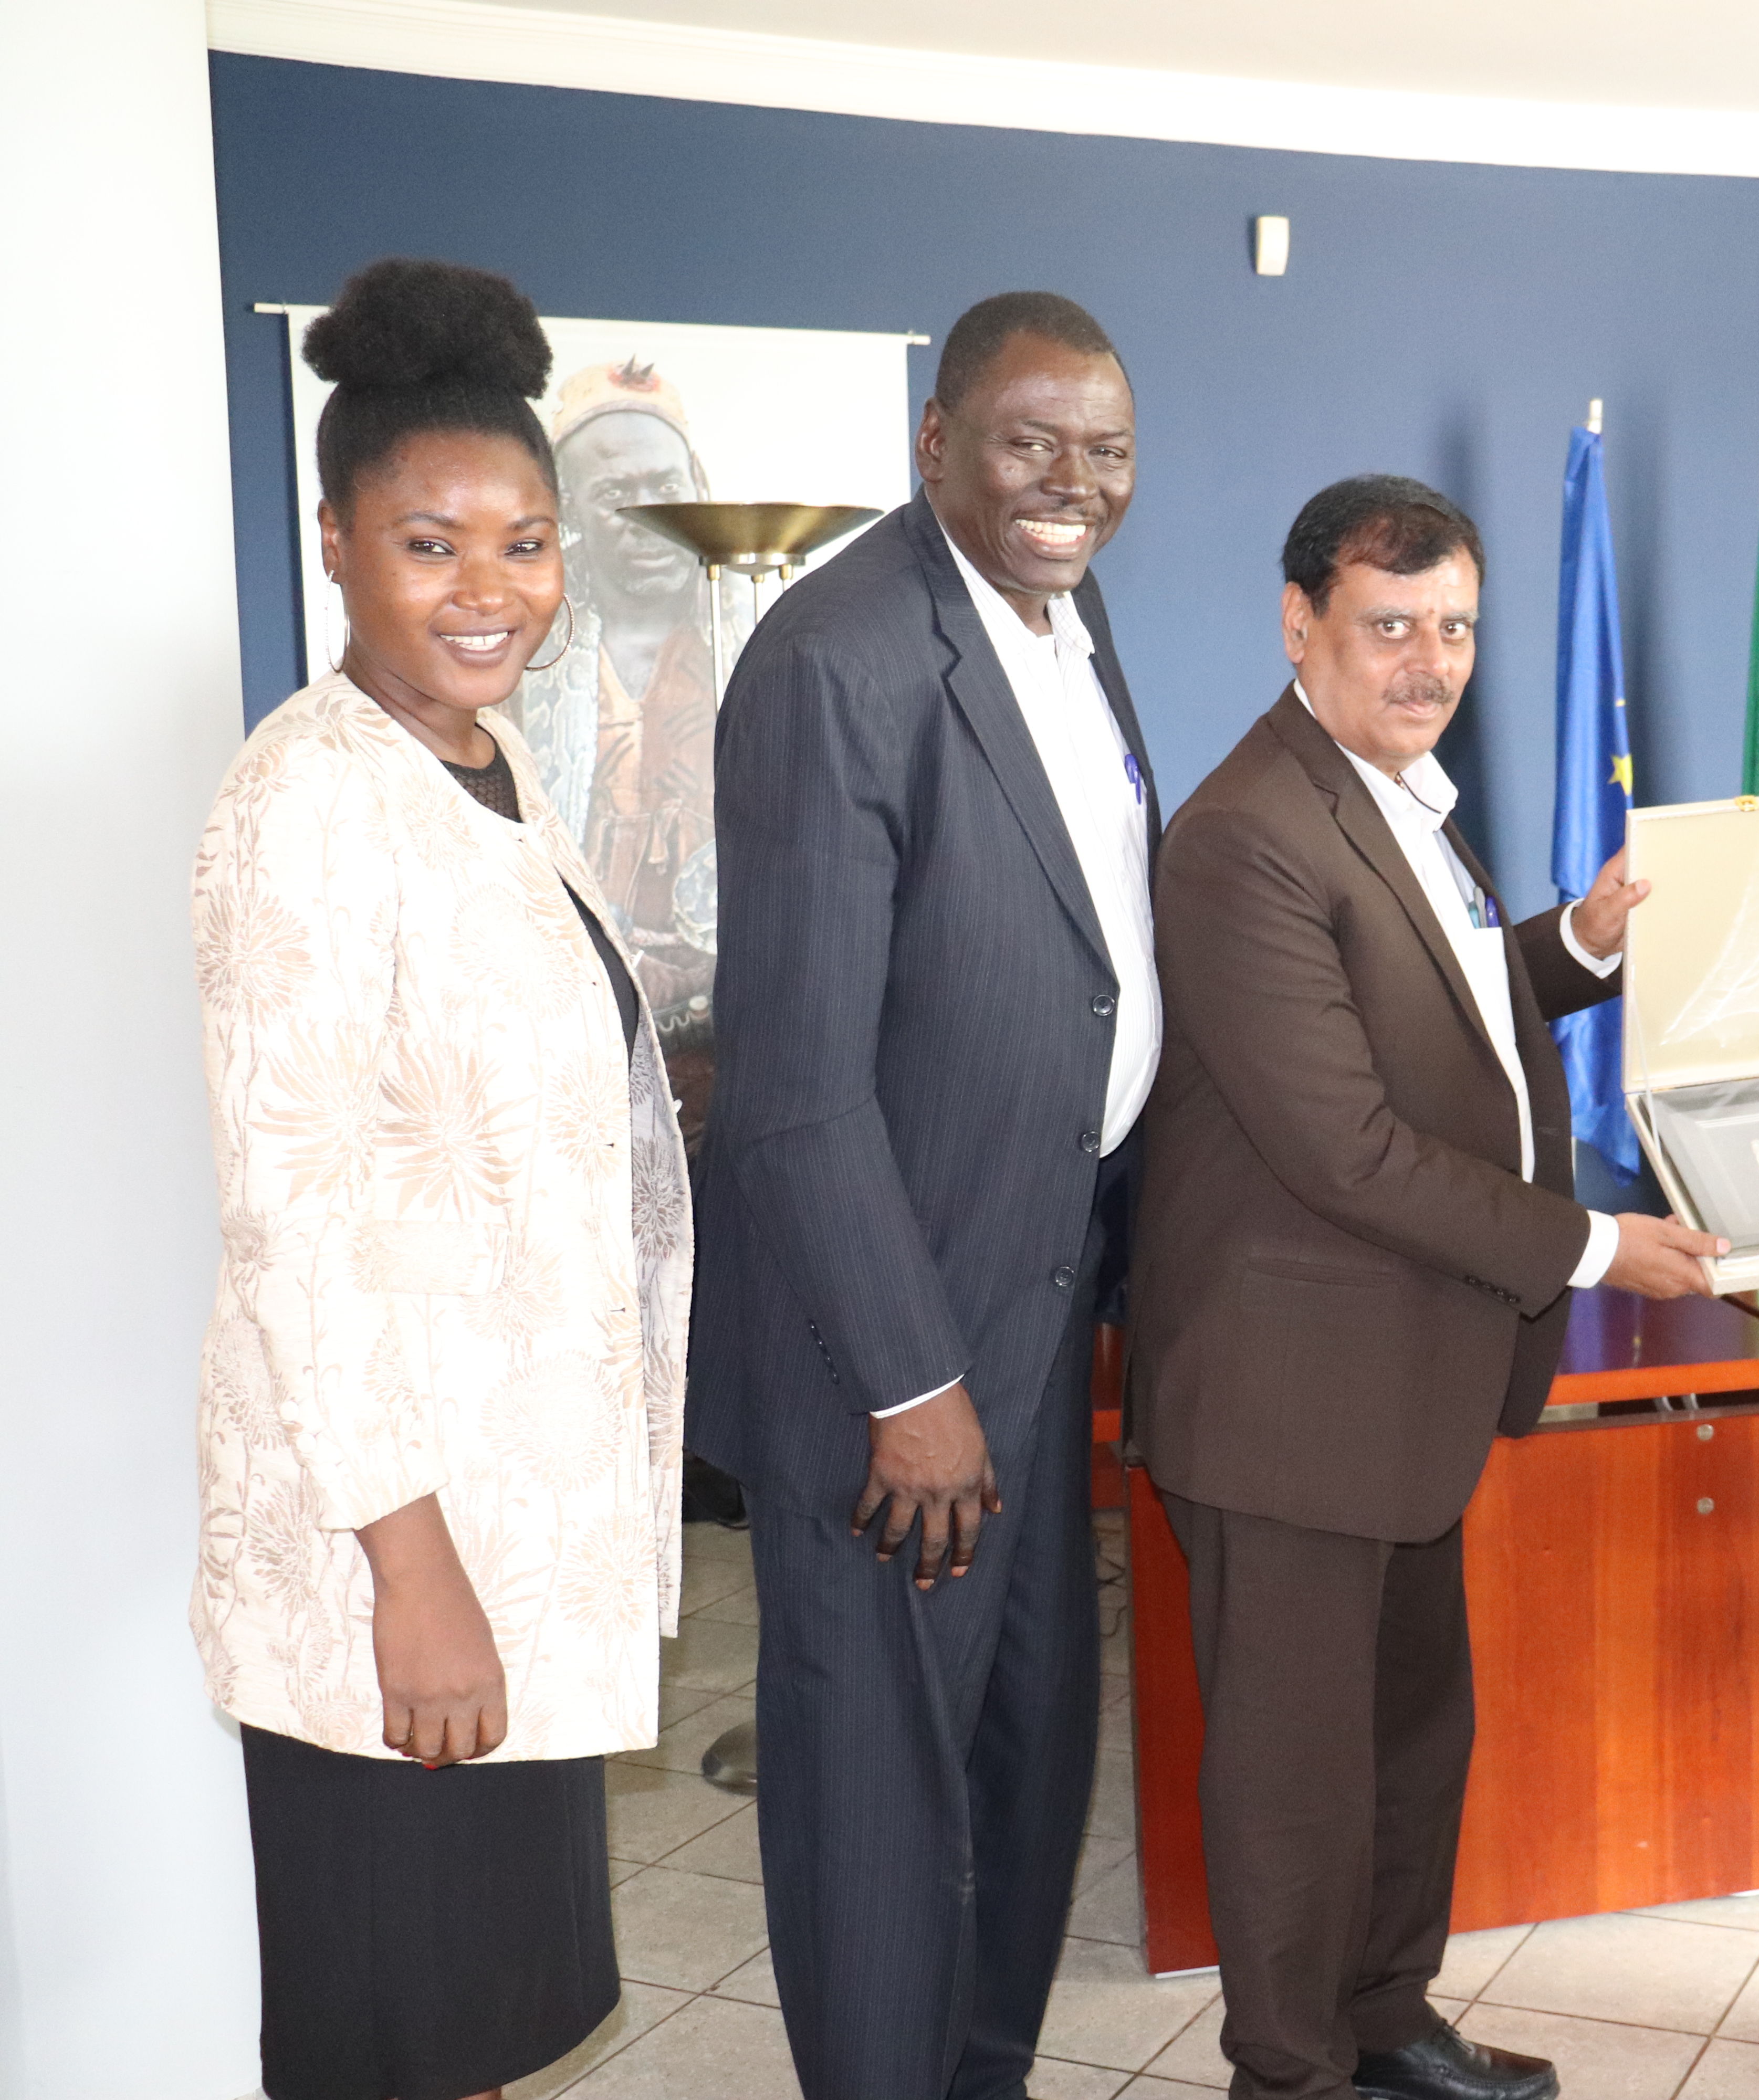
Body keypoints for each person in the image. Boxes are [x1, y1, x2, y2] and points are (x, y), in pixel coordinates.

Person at [1129, 475, 1727, 2100]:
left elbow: (1439, 1010)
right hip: (1287, 1394)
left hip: (1401, 1379)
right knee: (1296, 1779)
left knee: (1407, 1740)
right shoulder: (1245, 833)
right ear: (1300, 624)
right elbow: (1345, 1144)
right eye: (1390, 626)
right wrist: (1601, 1247)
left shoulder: (1397, 795)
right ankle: (1291, 2068)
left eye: (1454, 627)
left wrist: (1579, 948)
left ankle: (1383, 2019)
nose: (1429, 661)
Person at [191, 256, 690, 2100]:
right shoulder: (307, 800)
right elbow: (293, 1221)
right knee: (398, 2034)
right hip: (407, 1554)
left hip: (521, 1515)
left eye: (527, 543)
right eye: (432, 544)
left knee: (479, 2026)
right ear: (335, 544)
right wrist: (413, 1572)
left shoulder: (484, 768)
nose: (491, 591)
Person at [689, 291, 1158, 2100]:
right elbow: (795, 1089)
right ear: (936, 443)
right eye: (1031, 442)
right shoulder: (839, 659)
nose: (1072, 484)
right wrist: (910, 1381)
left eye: (1106, 449)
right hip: (897, 1369)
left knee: (1028, 1765)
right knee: (883, 1812)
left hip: (1038, 1314)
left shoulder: (1066, 612)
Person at [508, 356, 721, 1034]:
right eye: (613, 494)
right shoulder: (511, 660)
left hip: (743, 1017)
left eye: (666, 485)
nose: (648, 516)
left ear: (700, 486)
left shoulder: (767, 639)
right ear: (566, 506)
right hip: (564, 1016)